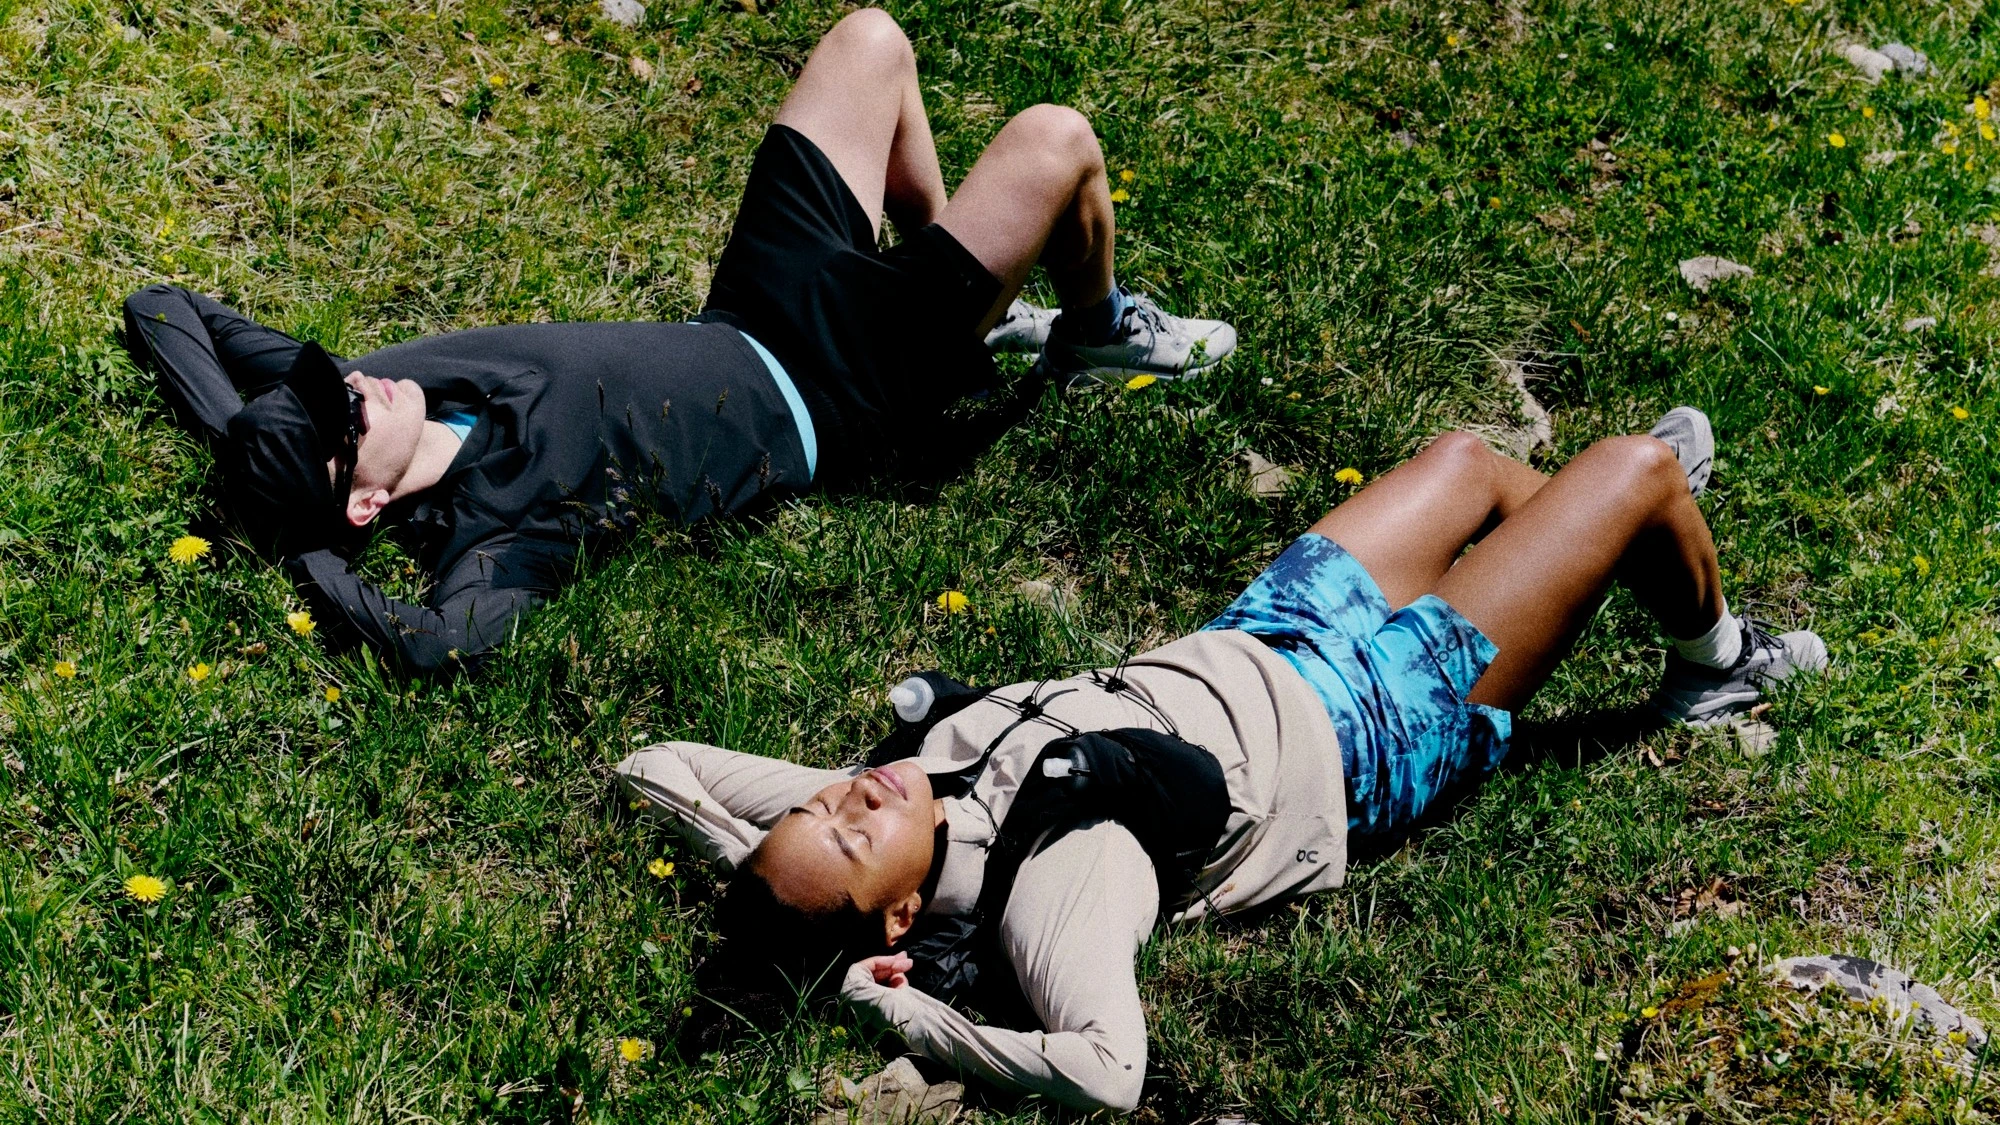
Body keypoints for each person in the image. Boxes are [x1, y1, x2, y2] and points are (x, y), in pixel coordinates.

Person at [613, 408, 1828, 1113]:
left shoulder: (902, 805)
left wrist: (778, 896)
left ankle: (1602, 535)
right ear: (897, 919)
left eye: (821, 802)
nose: (846, 790)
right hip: (1369, 733)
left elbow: (655, 765)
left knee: (1464, 460)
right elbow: (1106, 1072)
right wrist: (912, 1015)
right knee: (1637, 467)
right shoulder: (1060, 881)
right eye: (845, 833)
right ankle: (1707, 654)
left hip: (1255, 639)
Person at [120, 9, 1235, 675]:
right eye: (341, 416)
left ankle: (942, 277)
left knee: (870, 41)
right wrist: (303, 551)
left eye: (334, 381)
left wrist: (240, 438)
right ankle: (1094, 331)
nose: (356, 384)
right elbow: (438, 644)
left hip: (754, 307)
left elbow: (165, 309)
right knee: (1056, 143)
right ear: (362, 503)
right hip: (838, 391)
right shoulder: (507, 529)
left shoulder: (392, 391)